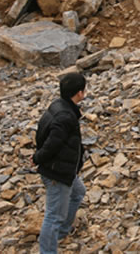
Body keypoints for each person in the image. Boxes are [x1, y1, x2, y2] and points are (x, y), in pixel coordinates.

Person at [32, 72, 87, 254]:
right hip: (57, 173)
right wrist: (37, 158)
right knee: (53, 216)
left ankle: (62, 232)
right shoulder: (65, 116)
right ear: (79, 93)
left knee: (78, 192)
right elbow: (52, 144)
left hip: (65, 169)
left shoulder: (59, 106)